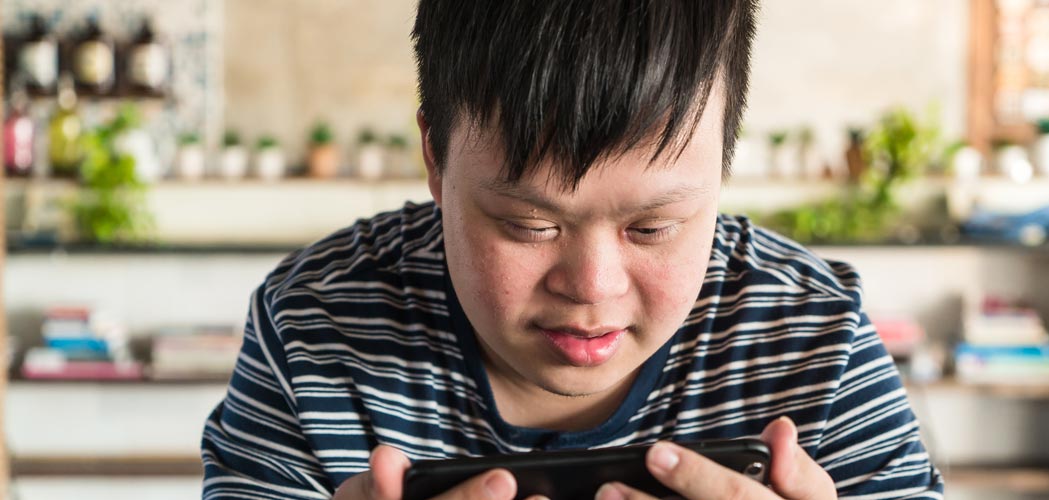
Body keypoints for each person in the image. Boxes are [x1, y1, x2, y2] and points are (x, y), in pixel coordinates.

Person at [201, 1, 945, 499]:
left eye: (652, 227)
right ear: (435, 156)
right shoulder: (313, 326)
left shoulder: (814, 336)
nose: (592, 287)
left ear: (723, 166)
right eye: (529, 223)